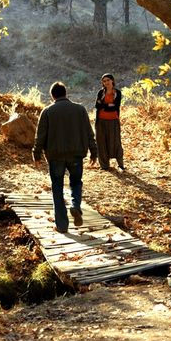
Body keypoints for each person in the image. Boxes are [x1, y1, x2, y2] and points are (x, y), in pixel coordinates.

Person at [33, 82, 98, 233]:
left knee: (57, 187)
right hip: (76, 155)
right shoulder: (80, 110)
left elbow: (40, 136)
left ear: (52, 96)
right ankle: (75, 206)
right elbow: (89, 132)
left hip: (55, 156)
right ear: (65, 93)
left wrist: (36, 154)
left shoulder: (47, 111)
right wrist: (94, 152)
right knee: (76, 182)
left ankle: (62, 225)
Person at [94, 73, 124, 171]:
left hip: (113, 120)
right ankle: (104, 165)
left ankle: (120, 164)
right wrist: (108, 105)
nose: (106, 82)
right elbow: (97, 106)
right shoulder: (101, 93)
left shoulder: (117, 93)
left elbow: (115, 106)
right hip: (101, 120)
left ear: (112, 81)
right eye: (104, 81)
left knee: (116, 141)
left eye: (107, 80)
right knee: (101, 142)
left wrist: (104, 105)